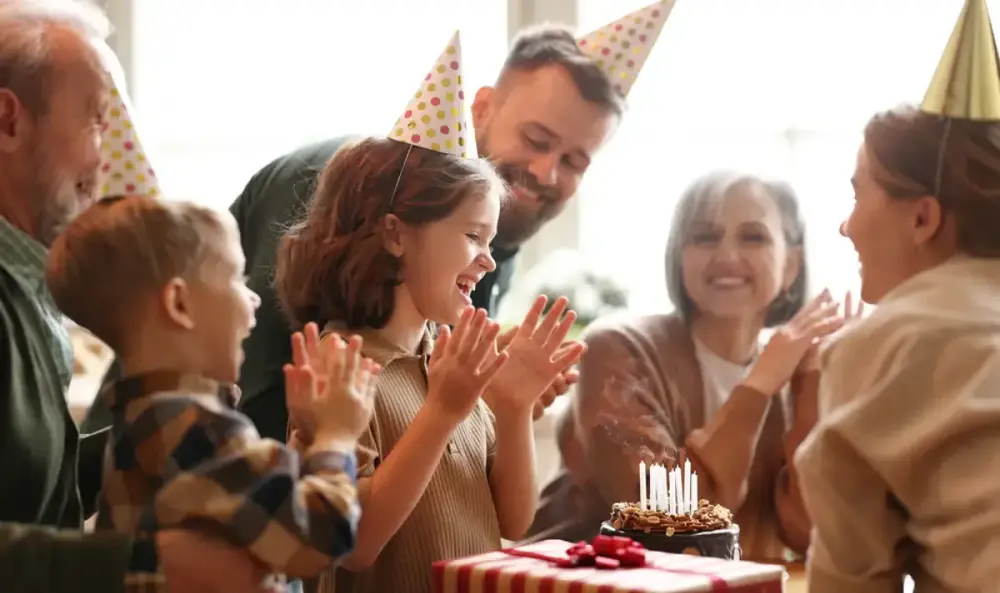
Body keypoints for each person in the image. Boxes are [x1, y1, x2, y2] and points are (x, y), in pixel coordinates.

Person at [204, 3, 676, 443]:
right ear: (482, 108)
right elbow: (268, 407)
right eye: (535, 138)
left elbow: (414, 425)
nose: (545, 172)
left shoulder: (493, 247)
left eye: (575, 162)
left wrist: (490, 391)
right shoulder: (339, 193)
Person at [0, 2, 308, 590]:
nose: (104, 156)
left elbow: (29, 482)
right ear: (9, 120)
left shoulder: (27, 291)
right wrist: (142, 563)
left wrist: (165, 432)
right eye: (95, 120)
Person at [274, 33, 584, 593]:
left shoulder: (450, 359)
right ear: (396, 233)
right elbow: (356, 545)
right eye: (473, 236)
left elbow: (514, 522)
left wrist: (511, 405)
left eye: (492, 241)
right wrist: (443, 409)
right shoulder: (338, 368)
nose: (489, 261)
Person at [44, 195, 381, 588]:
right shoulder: (195, 428)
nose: (254, 298)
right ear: (179, 303)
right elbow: (319, 539)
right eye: (237, 278)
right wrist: (337, 437)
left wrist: (308, 439)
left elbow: (259, 526)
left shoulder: (145, 419)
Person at [526, 170, 852, 561]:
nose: (727, 256)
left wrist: (813, 383)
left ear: (792, 266)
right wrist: (760, 383)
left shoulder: (795, 369)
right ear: (679, 256)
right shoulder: (616, 348)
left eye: (753, 237)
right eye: (704, 237)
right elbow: (671, 519)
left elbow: (812, 532)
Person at [797, 1, 1000, 590]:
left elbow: (851, 581)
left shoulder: (884, 344)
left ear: (923, 219)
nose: (846, 226)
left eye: (859, 194)